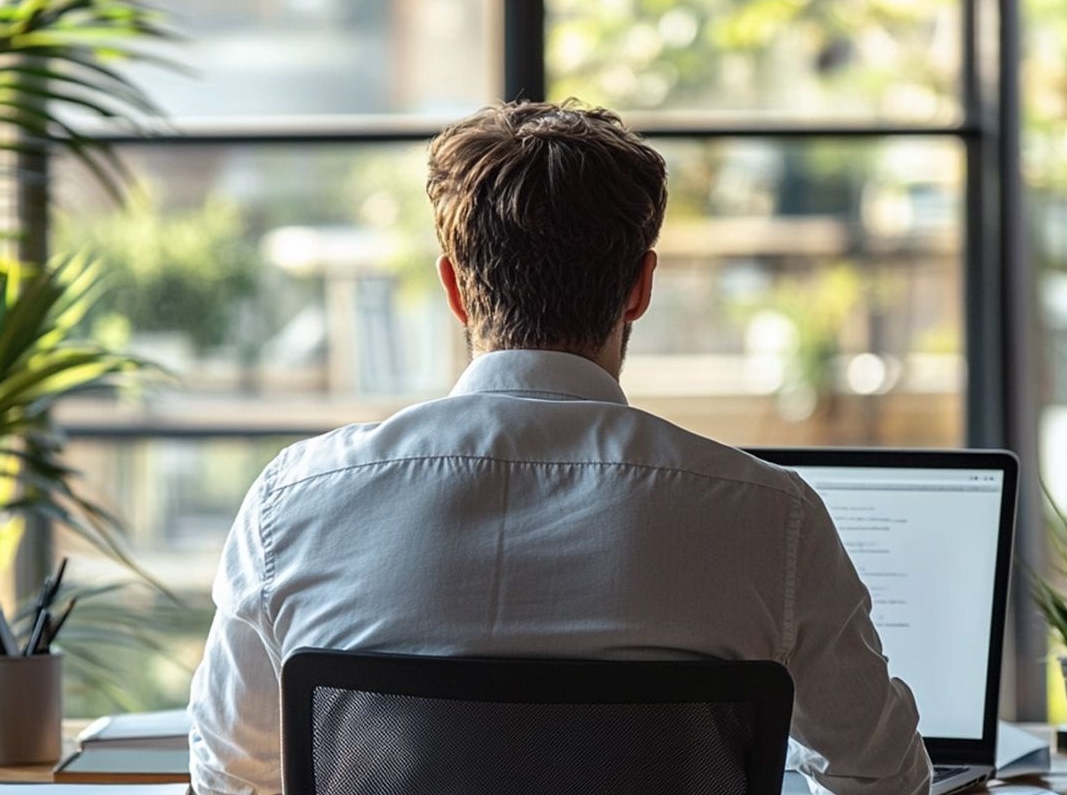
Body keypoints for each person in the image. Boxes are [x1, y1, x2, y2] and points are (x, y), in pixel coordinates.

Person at [187, 100, 932, 795]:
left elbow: (230, 774)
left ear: (453, 289)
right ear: (640, 287)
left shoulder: (294, 501)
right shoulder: (770, 517)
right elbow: (882, 780)